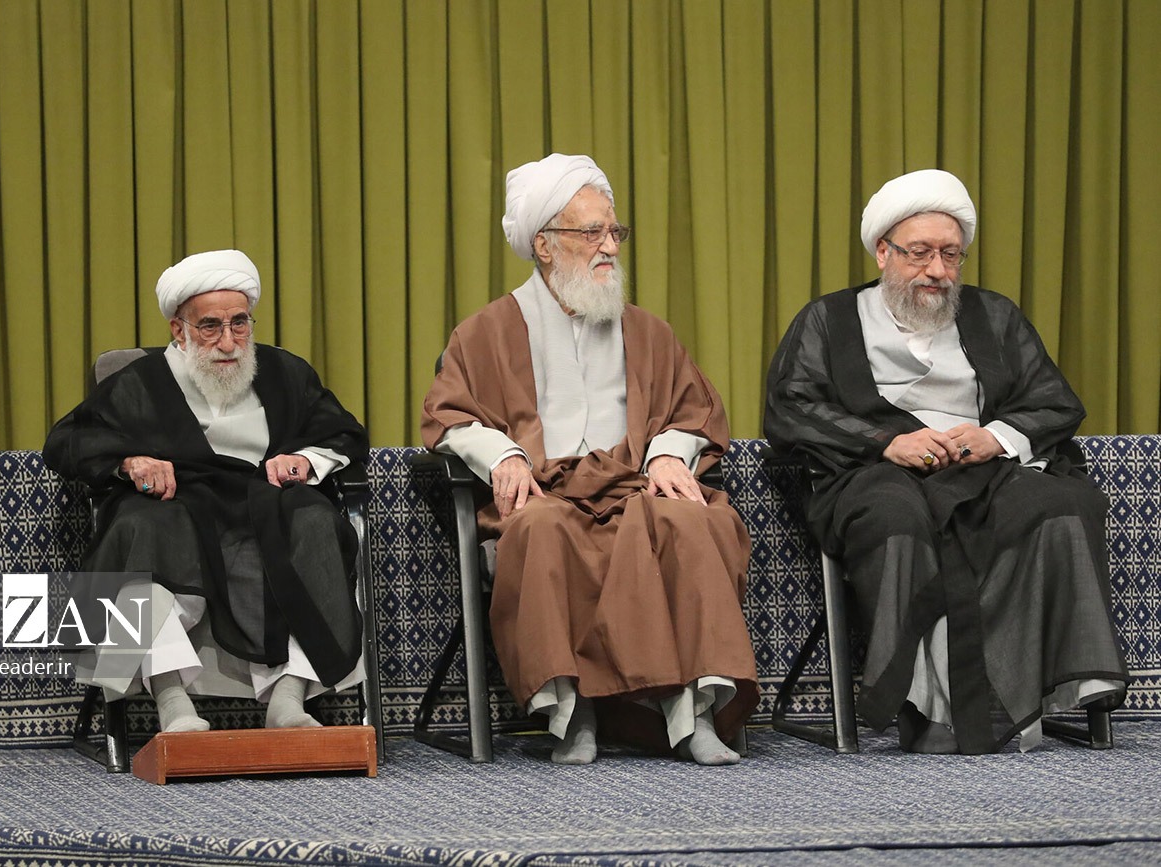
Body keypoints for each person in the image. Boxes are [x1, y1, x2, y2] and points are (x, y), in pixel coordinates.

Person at [764, 169, 1129, 754]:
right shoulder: (828, 319)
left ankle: (1039, 693)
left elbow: (1054, 401)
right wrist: (883, 442)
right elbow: (792, 407)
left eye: (951, 255)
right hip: (873, 472)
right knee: (896, 517)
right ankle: (925, 709)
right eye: (920, 253)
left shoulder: (995, 316)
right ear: (883, 252)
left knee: (1061, 502)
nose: (937, 270)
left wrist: (997, 437)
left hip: (982, 470)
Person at [422, 154, 759, 765]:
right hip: (545, 493)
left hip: (634, 489)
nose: (610, 246)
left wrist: (666, 456)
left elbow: (692, 412)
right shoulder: (485, 332)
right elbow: (451, 417)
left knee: (691, 521)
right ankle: (573, 713)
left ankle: (695, 712)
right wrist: (504, 455)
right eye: (592, 232)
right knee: (543, 529)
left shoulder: (649, 331)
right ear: (544, 245)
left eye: (614, 231)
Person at [44, 249, 369, 734]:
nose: (229, 342)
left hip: (264, 502)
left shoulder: (285, 373)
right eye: (210, 327)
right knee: (141, 526)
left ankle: (288, 697)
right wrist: (131, 462)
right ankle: (171, 699)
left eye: (240, 324)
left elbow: (343, 433)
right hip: (176, 505)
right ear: (179, 330)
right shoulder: (141, 384)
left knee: (316, 521)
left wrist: (304, 460)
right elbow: (66, 441)